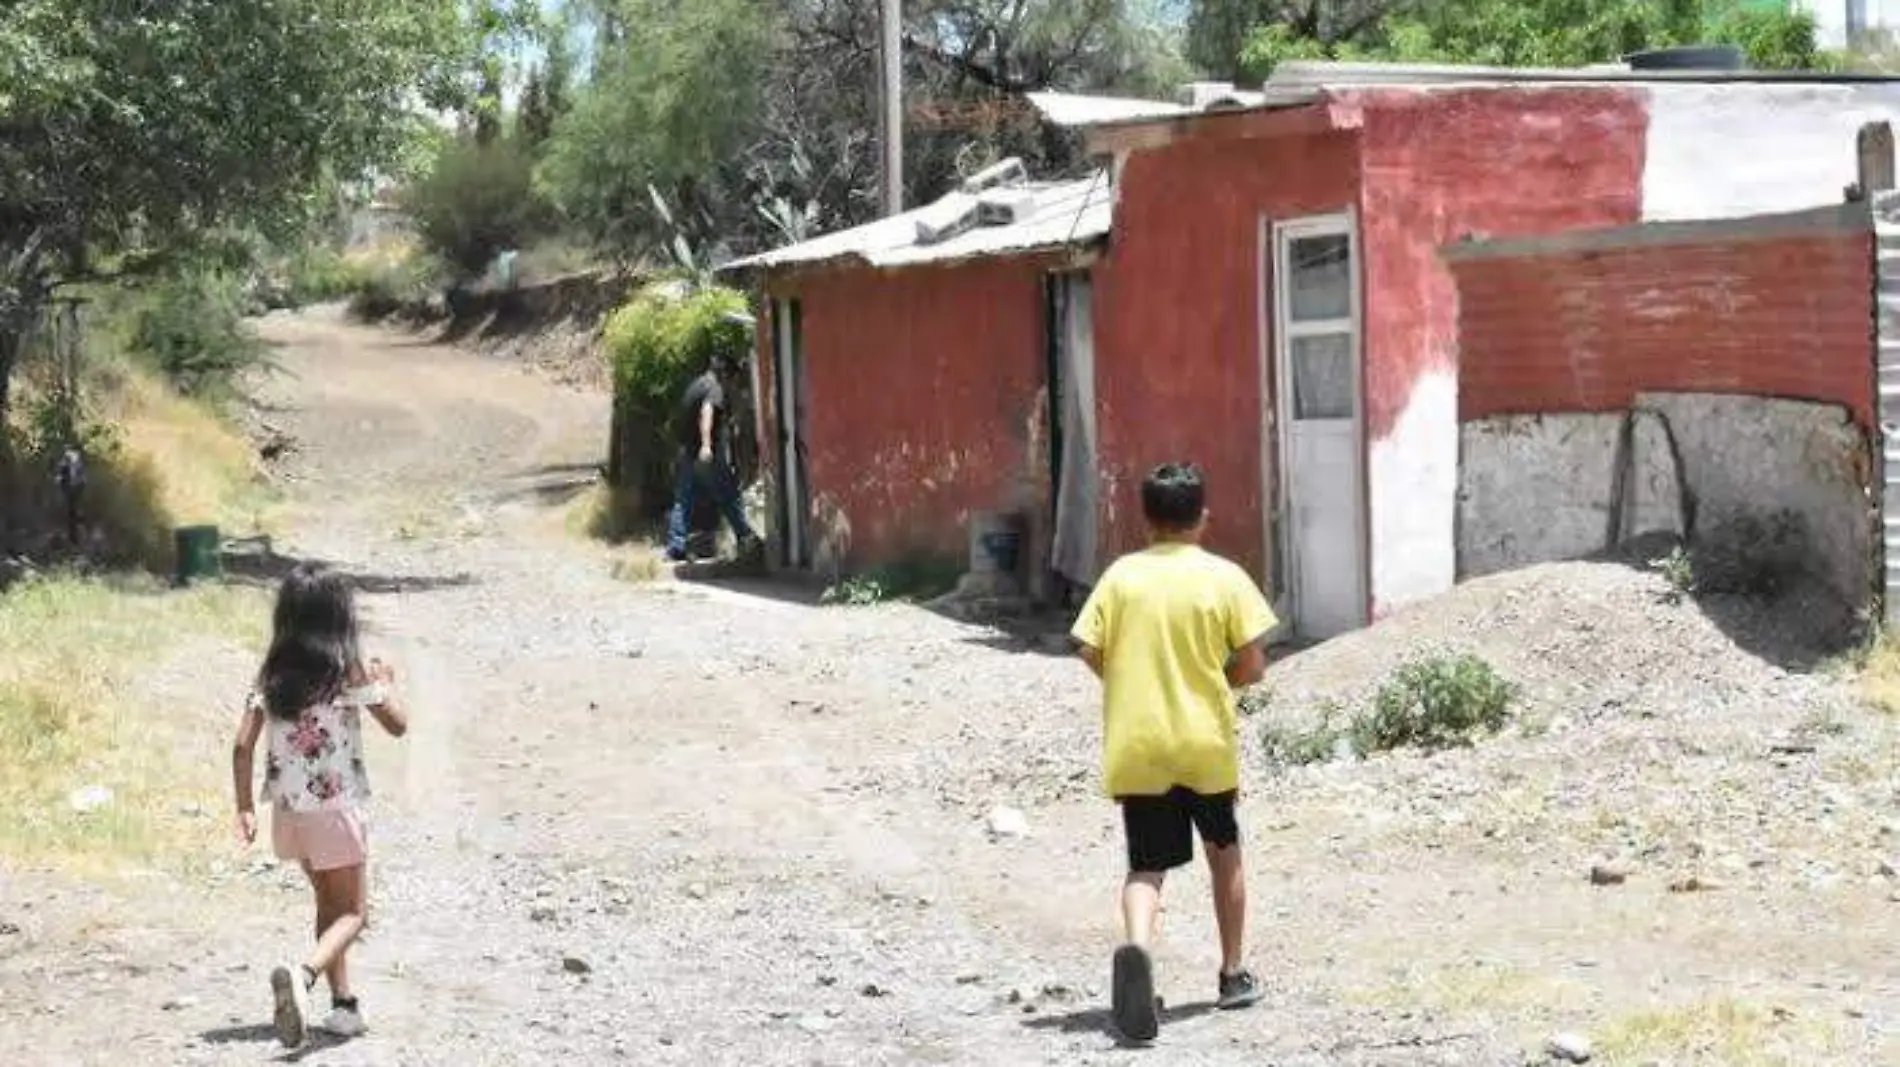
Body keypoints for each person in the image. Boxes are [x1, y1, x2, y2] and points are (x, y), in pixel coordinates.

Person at [1069, 462, 1277, 1043]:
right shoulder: (1224, 576)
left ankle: (1136, 952)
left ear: (1146, 519)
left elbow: (1086, 645)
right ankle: (1233, 974)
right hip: (1204, 740)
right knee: (1224, 849)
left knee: (1146, 865)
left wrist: (1125, 678)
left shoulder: (1121, 578)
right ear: (1203, 518)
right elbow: (1253, 663)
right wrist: (1217, 680)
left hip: (1139, 743)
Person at [230, 564, 408, 1048]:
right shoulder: (345, 673)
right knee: (353, 914)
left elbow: (243, 746)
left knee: (327, 904)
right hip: (335, 810)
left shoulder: (271, 674)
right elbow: (398, 725)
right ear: (338, 620)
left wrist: (245, 807)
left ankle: (343, 1005)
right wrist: (385, 682)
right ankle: (304, 974)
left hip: (290, 815)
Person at [665, 350, 761, 562]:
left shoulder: (697, 385)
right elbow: (707, 412)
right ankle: (745, 537)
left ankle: (676, 547)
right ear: (725, 373)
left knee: (683, 500)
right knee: (728, 494)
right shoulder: (714, 388)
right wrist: (707, 445)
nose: (730, 385)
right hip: (703, 454)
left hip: (687, 451)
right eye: (731, 378)